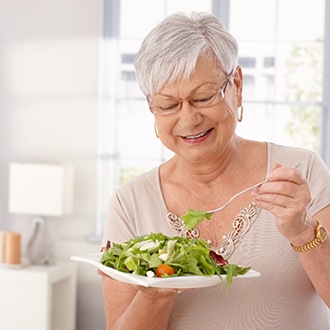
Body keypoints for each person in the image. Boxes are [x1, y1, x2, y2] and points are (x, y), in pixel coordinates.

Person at [100, 12, 330, 329]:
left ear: (236, 84)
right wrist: (157, 289)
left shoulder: (302, 172)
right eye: (168, 105)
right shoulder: (130, 202)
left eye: (204, 96)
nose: (189, 119)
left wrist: (304, 233)